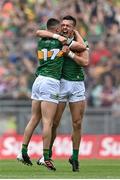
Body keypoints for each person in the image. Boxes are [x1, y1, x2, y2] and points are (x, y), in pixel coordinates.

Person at [17, 17, 86, 171]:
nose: (63, 29)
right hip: (51, 82)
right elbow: (82, 47)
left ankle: (23, 151)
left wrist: (56, 36)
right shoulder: (61, 42)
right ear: (57, 29)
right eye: (61, 27)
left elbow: (39, 31)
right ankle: (46, 157)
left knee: (35, 118)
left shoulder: (42, 41)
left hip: (38, 79)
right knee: (48, 122)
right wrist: (64, 40)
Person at [37, 15, 89, 172]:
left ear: (73, 28)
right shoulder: (58, 40)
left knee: (77, 123)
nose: (65, 27)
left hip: (77, 84)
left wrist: (70, 54)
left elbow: (85, 61)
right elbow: (40, 32)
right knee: (54, 123)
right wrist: (58, 36)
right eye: (63, 25)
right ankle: (47, 154)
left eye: (68, 25)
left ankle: (75, 157)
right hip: (60, 84)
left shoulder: (78, 43)